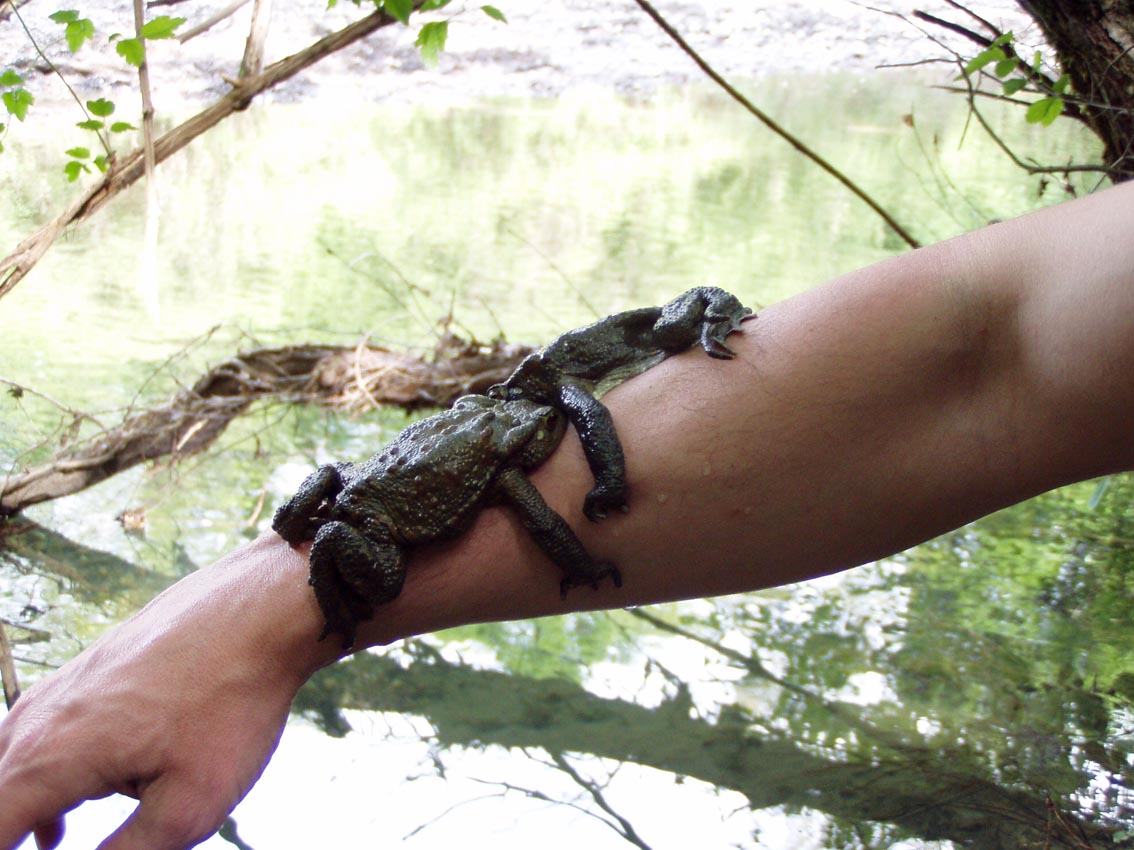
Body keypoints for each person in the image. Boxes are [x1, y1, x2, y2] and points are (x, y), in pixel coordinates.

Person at [2, 181, 1133, 850]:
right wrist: (269, 600)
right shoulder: (513, 429)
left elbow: (993, 359)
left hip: (380, 485)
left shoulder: (515, 432)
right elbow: (994, 353)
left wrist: (292, 600)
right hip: (375, 494)